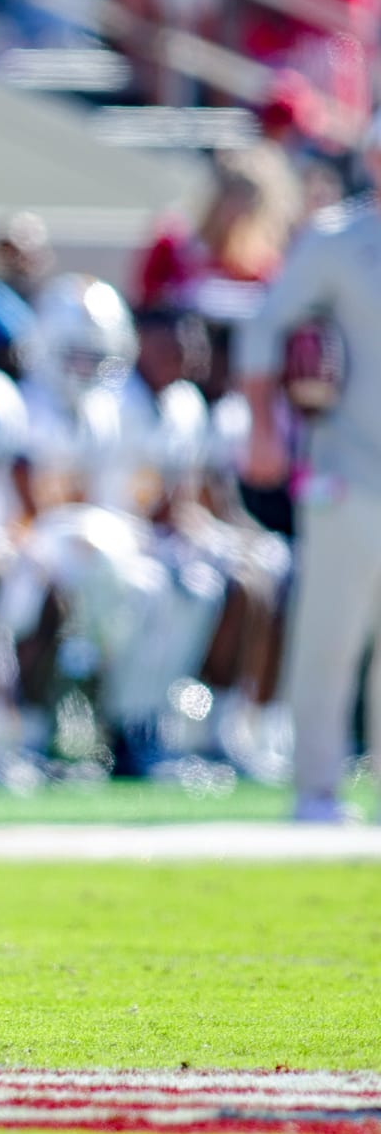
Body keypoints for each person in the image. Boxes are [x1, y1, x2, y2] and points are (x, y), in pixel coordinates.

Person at [238, 114, 381, 823]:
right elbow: (265, 334)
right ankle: (316, 789)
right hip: (346, 465)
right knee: (330, 634)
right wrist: (264, 426)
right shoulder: (335, 241)